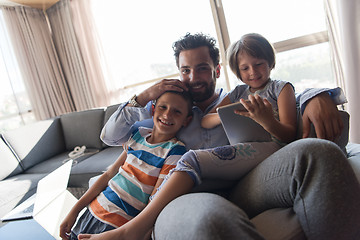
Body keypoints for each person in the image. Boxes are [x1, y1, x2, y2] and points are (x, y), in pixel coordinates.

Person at [84, 33, 360, 239]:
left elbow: (277, 98)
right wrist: (143, 96)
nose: (194, 77)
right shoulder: (168, 109)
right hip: (182, 196)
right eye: (185, 70)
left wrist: (318, 96)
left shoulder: (235, 97)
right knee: (211, 220)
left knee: (317, 152)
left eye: (202, 67)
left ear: (217, 69)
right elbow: (110, 136)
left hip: (247, 183)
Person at [59, 90, 193, 240]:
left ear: (186, 120)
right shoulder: (138, 136)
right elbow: (109, 175)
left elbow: (154, 201)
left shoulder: (175, 151)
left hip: (117, 227)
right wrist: (75, 210)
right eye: (163, 107)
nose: (167, 115)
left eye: (177, 112)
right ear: (153, 109)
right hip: (92, 211)